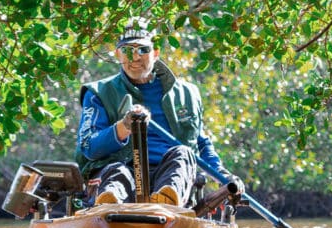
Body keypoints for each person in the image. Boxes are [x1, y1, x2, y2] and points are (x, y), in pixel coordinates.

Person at [75, 18, 233, 207]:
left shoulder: (188, 93)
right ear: (118, 54)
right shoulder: (97, 93)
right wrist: (123, 127)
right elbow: (88, 147)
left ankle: (167, 204)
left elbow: (201, 144)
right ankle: (110, 207)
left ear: (156, 52)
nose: (134, 57)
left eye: (142, 49)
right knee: (116, 172)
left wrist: (224, 177)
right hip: (120, 172)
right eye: (127, 50)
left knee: (183, 153)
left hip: (170, 177)